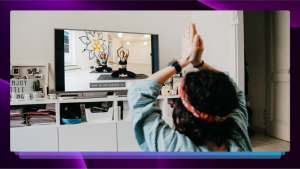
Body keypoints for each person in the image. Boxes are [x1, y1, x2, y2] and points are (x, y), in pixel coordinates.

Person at [127, 23, 252, 152]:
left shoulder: (175, 147)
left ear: (184, 112)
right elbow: (231, 87)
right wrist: (199, 63)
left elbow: (138, 92)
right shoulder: (239, 137)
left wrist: (183, 61)